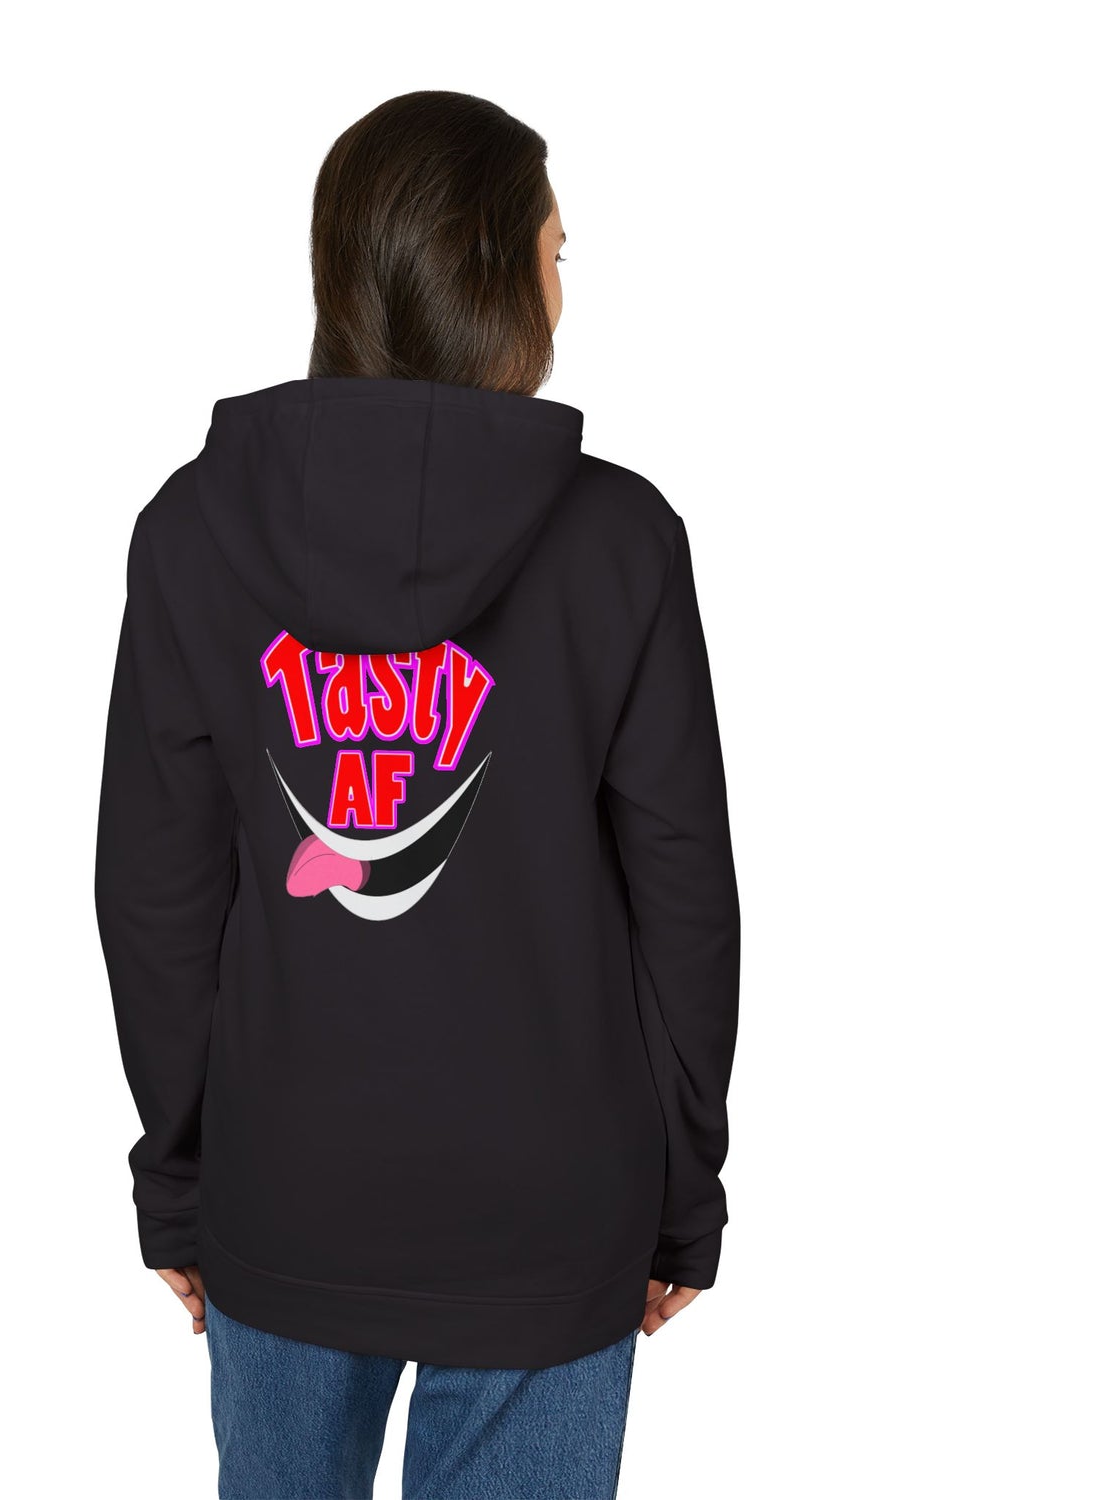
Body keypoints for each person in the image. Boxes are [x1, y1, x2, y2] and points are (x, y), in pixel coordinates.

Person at [95, 90, 740, 1500]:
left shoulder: (192, 531)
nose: (566, 283)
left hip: (285, 1189)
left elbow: (155, 895)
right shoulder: (620, 540)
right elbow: (683, 893)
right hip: (552, 1210)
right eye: (558, 250)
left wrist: (181, 1181)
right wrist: (682, 1193)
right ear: (500, 274)